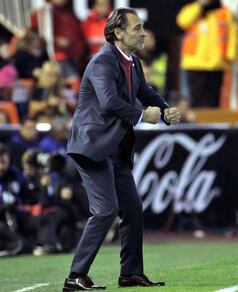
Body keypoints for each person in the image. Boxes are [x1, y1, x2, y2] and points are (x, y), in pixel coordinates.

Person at [63, 8, 180, 291]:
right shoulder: (103, 61)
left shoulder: (132, 61)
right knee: (105, 211)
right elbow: (109, 102)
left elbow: (147, 93)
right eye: (137, 28)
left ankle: (130, 273)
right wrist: (143, 116)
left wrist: (165, 111)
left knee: (132, 210)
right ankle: (74, 276)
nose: (143, 33)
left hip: (114, 148)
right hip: (92, 146)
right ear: (118, 33)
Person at [177, 0, 237, 107]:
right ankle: (196, 123)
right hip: (195, 64)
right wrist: (200, 5)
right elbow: (182, 21)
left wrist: (230, 56)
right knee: (196, 101)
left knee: (213, 101)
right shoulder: (191, 9)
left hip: (216, 65)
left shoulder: (225, 12)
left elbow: (232, 34)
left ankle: (212, 122)